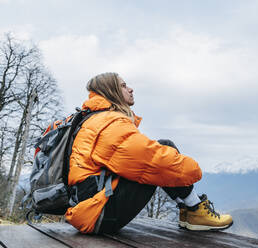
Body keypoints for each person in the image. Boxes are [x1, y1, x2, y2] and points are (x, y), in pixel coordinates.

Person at [64, 72, 233, 234]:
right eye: (123, 86)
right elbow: (153, 160)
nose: (130, 89)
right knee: (162, 155)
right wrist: (194, 170)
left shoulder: (96, 119)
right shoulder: (109, 123)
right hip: (99, 214)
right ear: (112, 92)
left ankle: (189, 211)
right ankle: (195, 210)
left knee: (158, 157)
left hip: (90, 209)